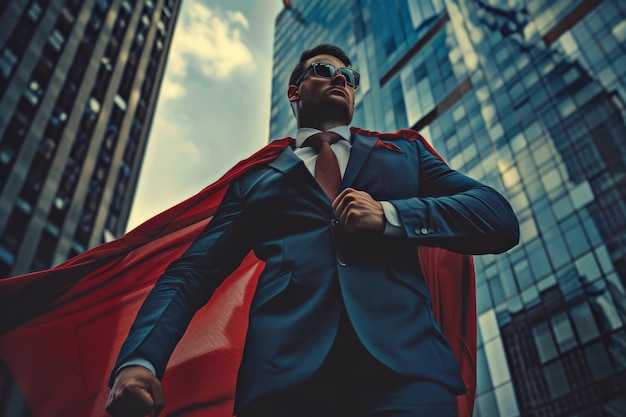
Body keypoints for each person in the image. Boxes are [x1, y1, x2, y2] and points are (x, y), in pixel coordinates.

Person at [106, 44, 519, 417]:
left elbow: (496, 218)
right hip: (281, 384)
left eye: (350, 77)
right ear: (294, 92)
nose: (341, 78)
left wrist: (390, 215)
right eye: (323, 70)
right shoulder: (256, 182)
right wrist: (140, 362)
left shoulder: (405, 154)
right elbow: (190, 275)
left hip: (407, 374)